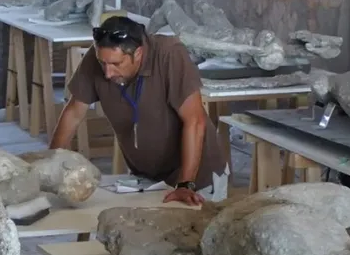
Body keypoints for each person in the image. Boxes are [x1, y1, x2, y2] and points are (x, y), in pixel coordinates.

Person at [49, 16, 229, 206]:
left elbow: (195, 121)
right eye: (103, 64)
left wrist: (185, 184)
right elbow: (74, 113)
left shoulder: (169, 54)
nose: (107, 73)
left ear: (138, 53)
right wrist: (51, 164)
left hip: (195, 180)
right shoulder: (101, 57)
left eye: (116, 64)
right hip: (146, 179)